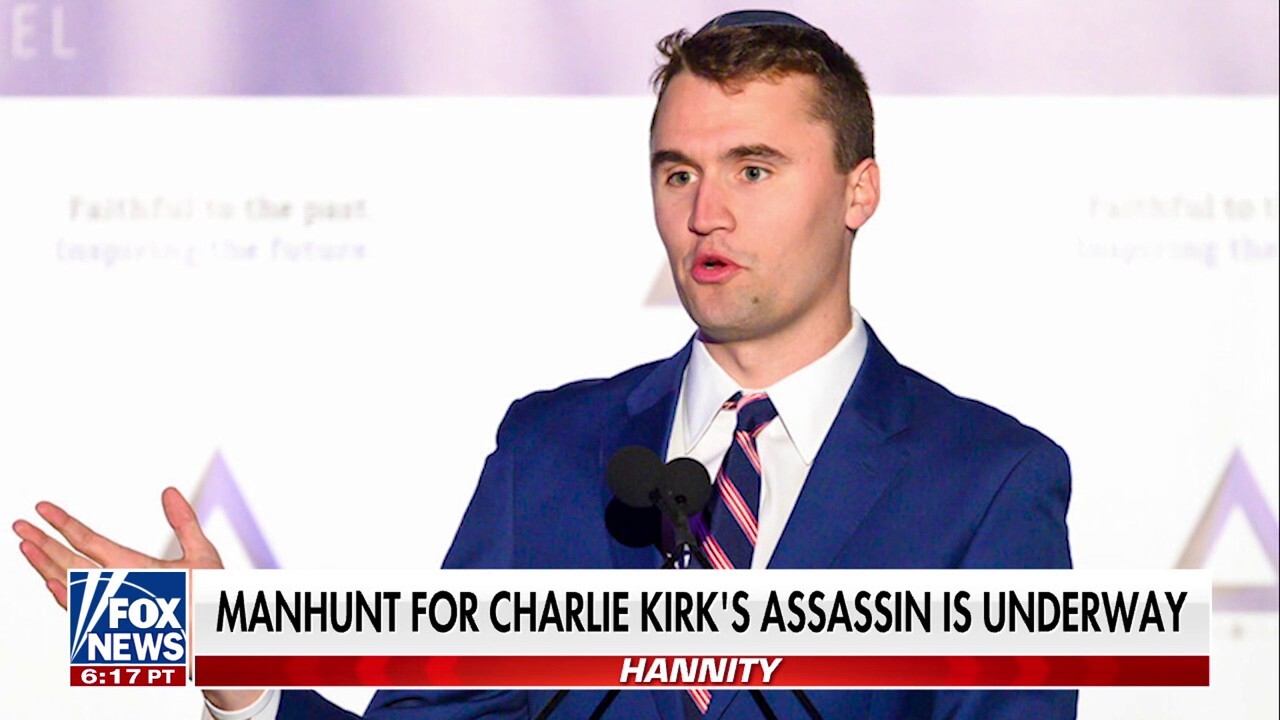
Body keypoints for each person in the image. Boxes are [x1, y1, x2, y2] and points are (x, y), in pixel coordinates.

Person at [13, 10, 1075, 720]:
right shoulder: (551, 450)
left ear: (858, 191)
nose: (705, 213)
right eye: (677, 173)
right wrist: (232, 662)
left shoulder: (987, 483)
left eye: (753, 169)